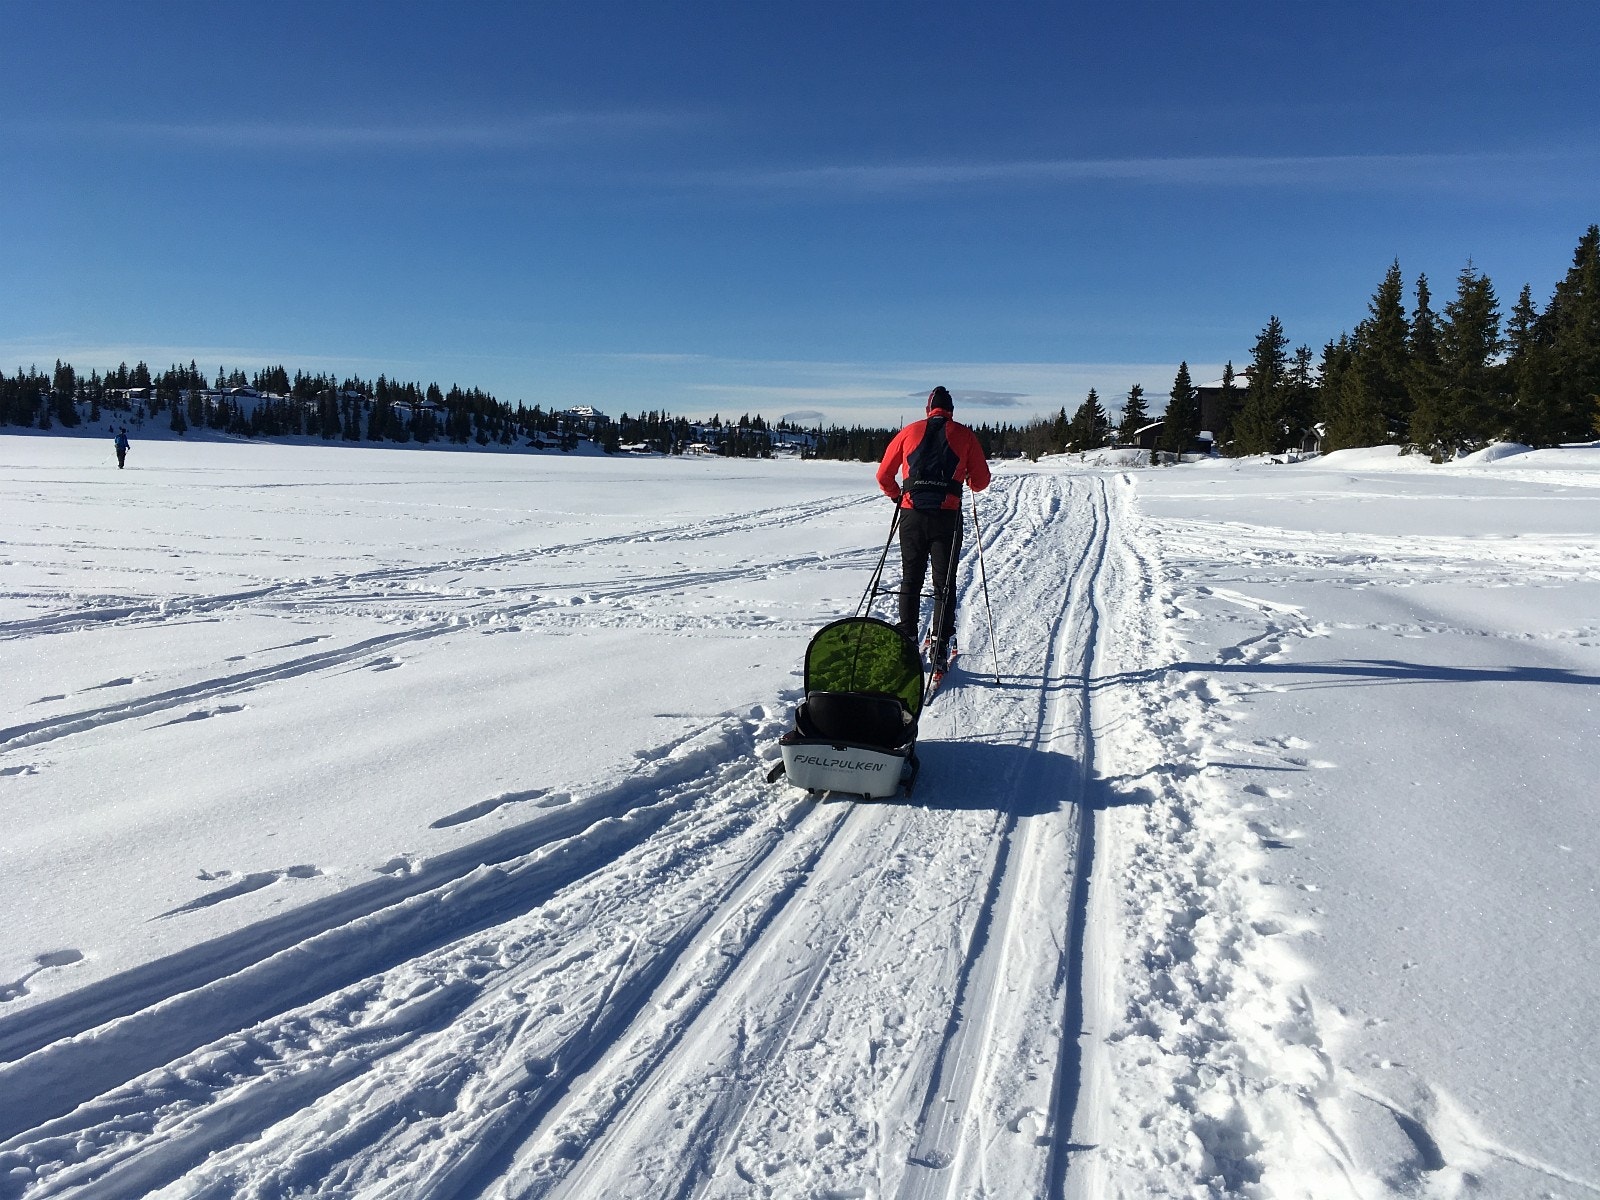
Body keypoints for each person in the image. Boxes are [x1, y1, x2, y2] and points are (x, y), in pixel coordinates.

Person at [875, 386, 991, 669]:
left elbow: (883, 475)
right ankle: (939, 646)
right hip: (946, 517)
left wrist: (897, 496)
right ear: (951, 411)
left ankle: (907, 638)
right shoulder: (964, 435)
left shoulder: (909, 432)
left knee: (911, 578)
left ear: (928, 410)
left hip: (911, 515)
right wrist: (968, 482)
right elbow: (981, 481)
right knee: (944, 582)